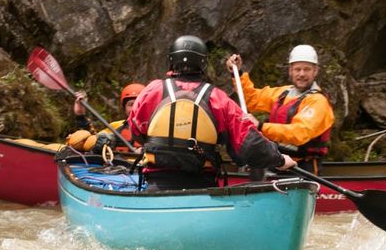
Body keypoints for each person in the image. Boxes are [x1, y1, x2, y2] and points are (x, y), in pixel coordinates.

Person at [127, 35, 297, 190]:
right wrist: (280, 159)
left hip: (157, 184)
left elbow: (136, 131)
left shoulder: (153, 91)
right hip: (201, 187)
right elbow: (249, 142)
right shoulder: (217, 98)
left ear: (171, 60)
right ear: (203, 64)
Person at [223, 44, 335, 174]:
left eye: (307, 69)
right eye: (297, 69)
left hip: (302, 166)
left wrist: (260, 126)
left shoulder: (318, 101)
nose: (302, 74)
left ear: (315, 71)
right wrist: (237, 73)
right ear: (290, 70)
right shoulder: (283, 93)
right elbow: (252, 98)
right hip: (278, 161)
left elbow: (299, 133)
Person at [65, 82, 146, 155]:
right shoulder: (116, 126)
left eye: (138, 104)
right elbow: (92, 140)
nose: (134, 108)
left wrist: (146, 151)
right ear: (124, 108)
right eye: (130, 104)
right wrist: (80, 115)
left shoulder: (154, 128)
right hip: (117, 167)